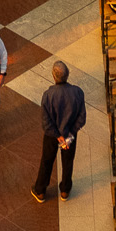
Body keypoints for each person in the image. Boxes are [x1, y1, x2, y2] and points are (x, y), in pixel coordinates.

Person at [34, 57, 88, 201]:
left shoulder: (48, 95)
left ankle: (40, 191)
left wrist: (58, 136)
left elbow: (46, 122)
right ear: (68, 74)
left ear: (53, 76)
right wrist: (70, 134)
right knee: (68, 161)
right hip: (71, 134)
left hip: (52, 136)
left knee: (47, 160)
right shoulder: (78, 93)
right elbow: (81, 118)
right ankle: (65, 190)